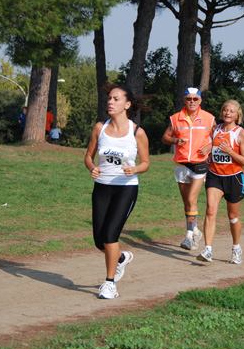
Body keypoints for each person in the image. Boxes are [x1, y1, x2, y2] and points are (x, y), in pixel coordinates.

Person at [84, 86, 150, 299]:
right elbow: (88, 156)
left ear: (127, 105)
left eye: (116, 99)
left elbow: (146, 163)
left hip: (126, 188)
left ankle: (109, 283)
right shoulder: (99, 128)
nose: (110, 102)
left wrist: (135, 169)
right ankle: (121, 257)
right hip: (102, 187)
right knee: (99, 240)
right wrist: (91, 167)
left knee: (111, 235)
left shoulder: (137, 132)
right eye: (109, 98)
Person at [162, 87, 216, 251]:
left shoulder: (208, 118)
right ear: (184, 100)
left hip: (200, 164)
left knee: (192, 199)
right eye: (188, 99)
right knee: (187, 203)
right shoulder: (175, 118)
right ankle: (196, 232)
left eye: (195, 99)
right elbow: (165, 137)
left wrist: (210, 146)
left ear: (200, 101)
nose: (192, 101)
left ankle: (188, 237)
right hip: (181, 164)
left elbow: (219, 136)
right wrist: (174, 141)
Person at [197, 100, 244, 264]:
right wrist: (210, 155)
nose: (227, 113)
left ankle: (236, 248)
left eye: (231, 111)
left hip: (234, 178)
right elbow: (214, 147)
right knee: (210, 210)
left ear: (237, 115)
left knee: (232, 216)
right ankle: (207, 250)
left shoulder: (241, 134)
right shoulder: (216, 129)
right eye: (225, 110)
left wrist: (229, 151)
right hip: (215, 175)